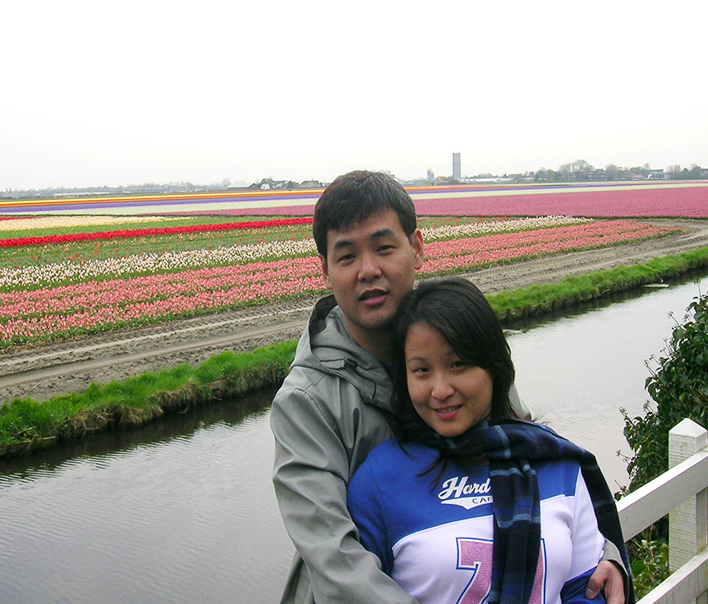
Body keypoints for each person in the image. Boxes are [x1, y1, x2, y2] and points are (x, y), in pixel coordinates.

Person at [270, 170, 629, 604]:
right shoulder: (307, 402)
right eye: (346, 257)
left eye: (384, 248)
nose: (369, 270)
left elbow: (532, 461)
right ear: (325, 270)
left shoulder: (465, 345)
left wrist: (600, 554)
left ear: (417, 248)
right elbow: (334, 558)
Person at [347, 277, 635, 604]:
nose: (440, 390)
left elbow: (586, 588)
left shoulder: (558, 464)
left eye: (458, 364)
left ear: (493, 366)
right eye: (422, 371)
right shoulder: (379, 482)